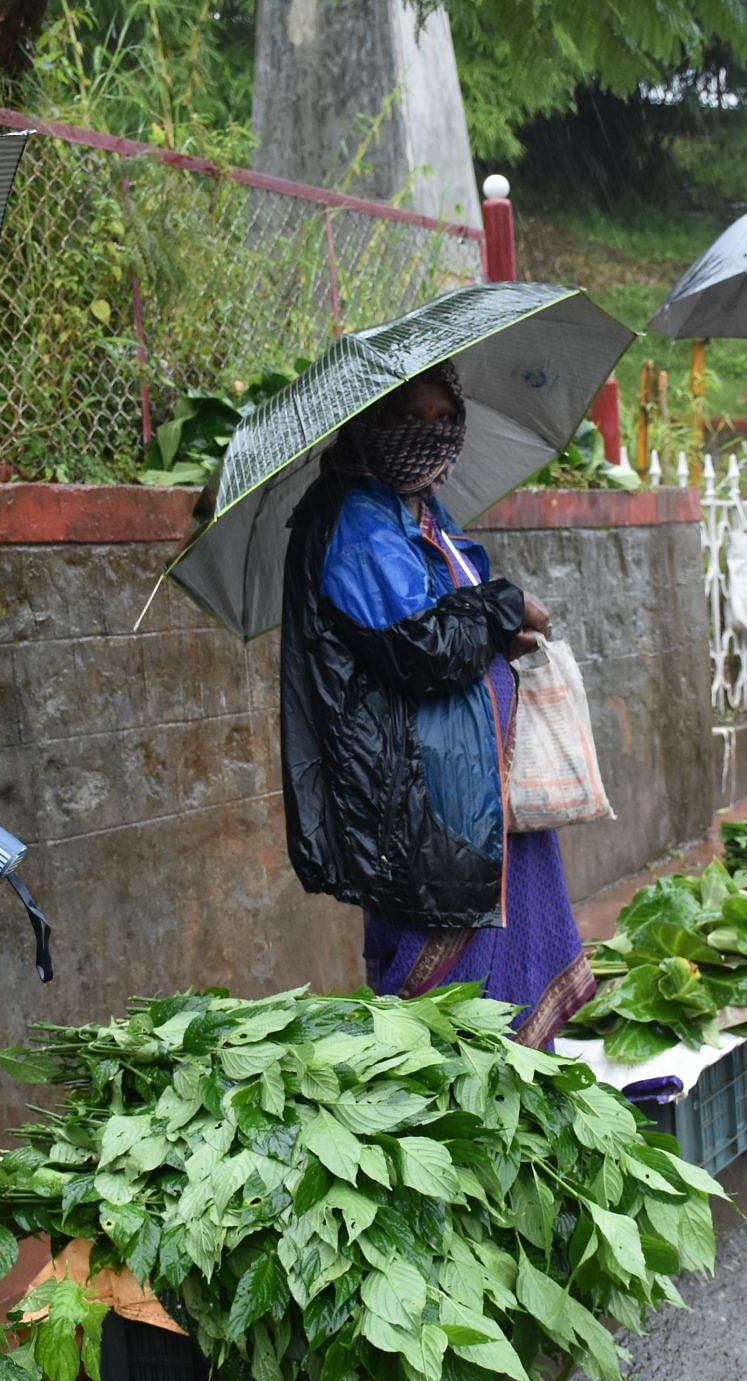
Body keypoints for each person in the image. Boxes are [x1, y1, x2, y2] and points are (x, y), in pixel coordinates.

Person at [278, 363, 594, 1047]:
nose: (431, 435)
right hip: (426, 804)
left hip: (480, 793)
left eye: (444, 417)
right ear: (370, 425)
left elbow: (459, 618)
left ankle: (523, 1111)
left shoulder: (419, 509)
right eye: (410, 419)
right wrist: (505, 605)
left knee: (512, 962)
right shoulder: (356, 522)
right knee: (449, 1008)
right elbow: (422, 647)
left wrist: (499, 627)